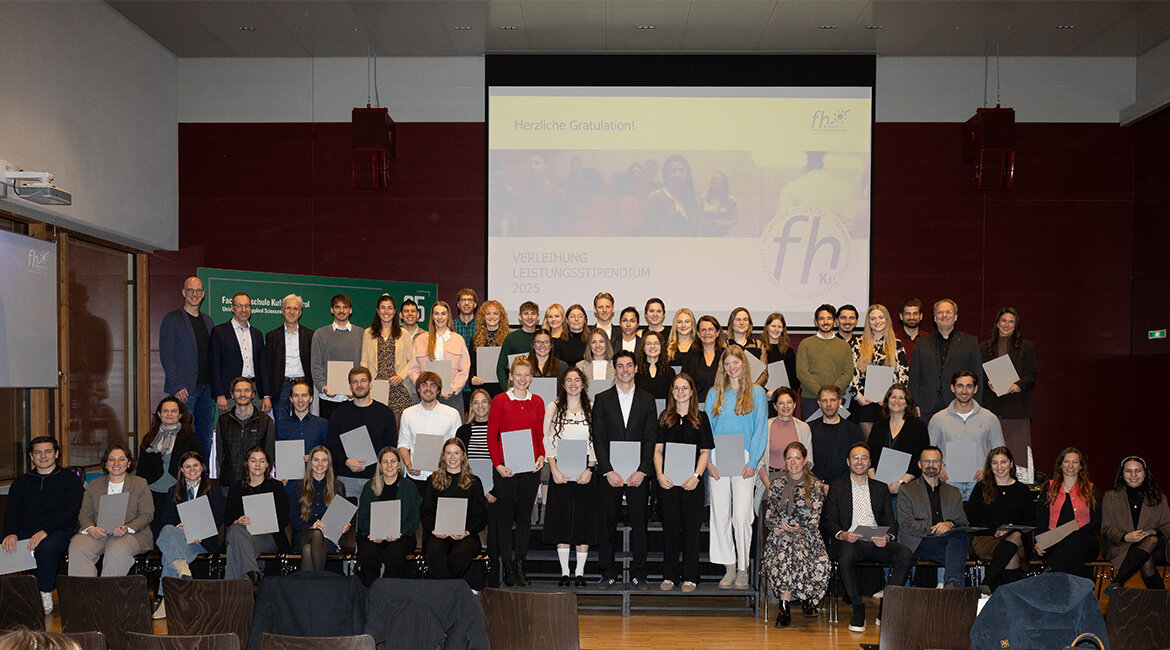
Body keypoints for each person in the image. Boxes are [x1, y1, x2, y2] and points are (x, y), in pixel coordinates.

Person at [821, 442, 912, 633]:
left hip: (876, 540)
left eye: (864, 458)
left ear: (870, 462)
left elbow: (890, 520)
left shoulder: (881, 488)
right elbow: (829, 521)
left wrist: (887, 536)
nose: (859, 462)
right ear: (848, 462)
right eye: (855, 457)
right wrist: (843, 534)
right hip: (850, 541)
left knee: (905, 554)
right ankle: (858, 608)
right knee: (845, 555)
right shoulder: (837, 487)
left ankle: (886, 608)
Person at [592, 350, 659, 589]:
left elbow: (651, 438)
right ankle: (607, 572)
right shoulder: (602, 399)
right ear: (614, 369)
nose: (625, 370)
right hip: (610, 474)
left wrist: (643, 471)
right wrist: (608, 470)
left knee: (640, 524)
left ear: (636, 368)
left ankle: (639, 573)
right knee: (607, 524)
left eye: (629, 365)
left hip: (638, 475)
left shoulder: (648, 400)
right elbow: (598, 438)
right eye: (620, 366)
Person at [705, 346, 768, 590]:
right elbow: (708, 429)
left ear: (743, 364)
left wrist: (753, 463)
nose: (732, 367)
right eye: (727, 364)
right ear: (723, 367)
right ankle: (728, 566)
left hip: (744, 457)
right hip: (718, 456)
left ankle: (743, 567)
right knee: (720, 514)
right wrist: (709, 460)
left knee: (741, 516)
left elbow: (761, 428)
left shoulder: (757, 392)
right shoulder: (714, 394)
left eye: (735, 362)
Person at [2, 437, 84, 614]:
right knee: (3, 543)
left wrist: (46, 531)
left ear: (56, 454)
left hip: (58, 530)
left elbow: (71, 512)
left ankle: (45, 594)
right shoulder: (21, 482)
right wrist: (10, 533)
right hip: (26, 529)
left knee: (46, 548)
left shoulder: (70, 479)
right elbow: (11, 512)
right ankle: (6, 597)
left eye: (47, 451)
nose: (43, 456)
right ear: (31, 456)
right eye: (38, 452)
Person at [486, 357, 546, 586]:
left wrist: (541, 456)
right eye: (518, 374)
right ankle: (508, 566)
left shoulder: (538, 401)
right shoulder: (500, 400)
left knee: (523, 519)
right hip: (506, 468)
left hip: (530, 468)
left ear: (532, 378)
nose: (522, 379)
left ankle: (521, 565)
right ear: (510, 376)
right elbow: (492, 436)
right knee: (504, 518)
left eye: (526, 375)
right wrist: (499, 465)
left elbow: (539, 435)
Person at [654, 373, 713, 592]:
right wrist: (660, 475)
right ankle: (669, 576)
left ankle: (690, 576)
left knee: (691, 531)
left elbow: (705, 452)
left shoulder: (701, 417)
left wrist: (696, 477)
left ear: (691, 392)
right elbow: (658, 450)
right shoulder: (664, 417)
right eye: (676, 388)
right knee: (670, 530)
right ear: (671, 392)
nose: (680, 392)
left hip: (692, 484)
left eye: (684, 388)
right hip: (668, 484)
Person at [542, 367, 599, 587]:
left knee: (583, 523)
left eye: (577, 380)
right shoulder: (553, 407)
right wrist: (554, 470)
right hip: (560, 472)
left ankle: (580, 573)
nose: (573, 384)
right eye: (569, 380)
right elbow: (548, 440)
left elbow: (596, 441)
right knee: (562, 521)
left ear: (583, 384)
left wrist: (590, 469)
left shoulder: (593, 408)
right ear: (563, 384)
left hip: (585, 471)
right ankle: (565, 572)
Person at [762, 441, 829, 627]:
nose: (793, 462)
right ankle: (799, 601)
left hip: (808, 535)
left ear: (805, 460)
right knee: (787, 547)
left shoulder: (815, 485)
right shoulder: (776, 484)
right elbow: (769, 516)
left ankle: (791, 603)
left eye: (797, 458)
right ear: (784, 461)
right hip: (780, 536)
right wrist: (778, 526)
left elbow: (815, 517)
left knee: (798, 547)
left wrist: (800, 528)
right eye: (789, 458)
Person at [152, 451, 223, 620]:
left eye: (195, 465)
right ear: (182, 470)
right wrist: (179, 526)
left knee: (170, 553)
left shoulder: (214, 490)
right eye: (187, 466)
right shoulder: (173, 491)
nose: (192, 469)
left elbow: (218, 518)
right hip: (180, 537)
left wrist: (199, 532)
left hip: (202, 540)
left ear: (202, 467)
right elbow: (166, 519)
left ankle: (165, 600)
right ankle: (182, 566)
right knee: (168, 531)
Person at [68, 445, 153, 576]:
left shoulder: (140, 484)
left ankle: (107, 594)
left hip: (131, 534)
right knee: (77, 547)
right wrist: (91, 528)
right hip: (99, 532)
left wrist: (127, 528)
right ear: (106, 464)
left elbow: (147, 514)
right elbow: (84, 514)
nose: (116, 463)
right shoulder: (94, 485)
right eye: (111, 459)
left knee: (116, 550)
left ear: (129, 463)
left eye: (121, 459)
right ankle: (85, 595)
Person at [897, 446, 970, 588]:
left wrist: (950, 525)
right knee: (957, 554)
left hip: (948, 542)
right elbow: (905, 524)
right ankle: (953, 586)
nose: (931, 465)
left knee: (960, 535)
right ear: (920, 464)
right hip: (919, 542)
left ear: (942, 465)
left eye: (935, 462)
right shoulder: (907, 490)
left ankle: (951, 583)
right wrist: (934, 529)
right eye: (927, 461)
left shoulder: (953, 492)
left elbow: (963, 521)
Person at [158, 276, 217, 454]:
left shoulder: (208, 321)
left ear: (203, 294)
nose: (194, 294)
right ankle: (181, 479)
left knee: (205, 436)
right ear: (183, 293)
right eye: (190, 290)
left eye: (198, 291)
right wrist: (176, 385)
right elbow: (166, 355)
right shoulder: (172, 319)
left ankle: (203, 476)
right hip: (184, 390)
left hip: (207, 389)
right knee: (181, 436)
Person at [966, 446, 1035, 593]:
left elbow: (1030, 521)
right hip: (986, 539)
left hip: (1018, 541)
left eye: (1003, 462)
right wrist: (995, 531)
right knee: (1011, 557)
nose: (999, 467)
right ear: (990, 466)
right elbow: (973, 519)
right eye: (995, 463)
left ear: (1011, 463)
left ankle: (988, 583)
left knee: (1015, 535)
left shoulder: (1023, 490)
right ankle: (1012, 602)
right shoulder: (981, 488)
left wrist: (1011, 528)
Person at [421, 438, 489, 587]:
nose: (452, 457)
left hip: (466, 535)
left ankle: (442, 590)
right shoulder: (432, 481)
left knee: (461, 553)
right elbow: (426, 512)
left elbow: (481, 516)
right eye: (448, 453)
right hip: (437, 535)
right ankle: (451, 590)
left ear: (463, 456)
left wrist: (466, 531)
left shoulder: (474, 482)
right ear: (443, 457)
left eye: (456, 453)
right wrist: (435, 530)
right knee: (434, 552)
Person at [928, 370, 1005, 500]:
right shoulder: (938, 419)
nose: (964, 391)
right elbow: (928, 451)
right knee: (950, 520)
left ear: (975, 389)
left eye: (969, 386)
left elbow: (1000, 452)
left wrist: (988, 472)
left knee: (979, 520)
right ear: (952, 388)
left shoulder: (990, 418)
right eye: (960, 386)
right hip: (948, 482)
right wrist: (937, 469)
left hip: (980, 483)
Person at [325, 366, 398, 499]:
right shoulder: (339, 414)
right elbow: (331, 446)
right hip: (346, 479)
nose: (359, 385)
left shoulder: (385, 413)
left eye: (363, 380)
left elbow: (391, 447)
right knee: (343, 520)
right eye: (354, 382)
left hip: (376, 479)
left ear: (370, 384)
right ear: (350, 386)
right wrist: (346, 461)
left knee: (374, 519)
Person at [138, 396, 204, 538]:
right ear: (159, 415)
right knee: (156, 531)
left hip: (180, 491)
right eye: (165, 411)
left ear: (180, 415)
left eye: (173, 411)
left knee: (177, 531)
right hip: (153, 491)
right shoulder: (149, 438)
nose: (169, 414)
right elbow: (141, 469)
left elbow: (200, 466)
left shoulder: (191, 438)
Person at [224, 447, 291, 587]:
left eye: (262, 461)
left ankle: (231, 589)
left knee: (234, 546)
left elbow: (285, 518)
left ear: (267, 465)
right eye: (253, 461)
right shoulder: (236, 487)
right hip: (242, 533)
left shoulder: (276, 486)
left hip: (268, 536)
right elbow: (228, 518)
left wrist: (267, 519)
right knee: (236, 530)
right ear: (246, 463)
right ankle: (253, 575)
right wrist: (238, 520)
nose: (257, 465)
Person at [1102, 456, 1169, 594]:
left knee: (1151, 541)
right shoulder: (1110, 497)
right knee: (1146, 560)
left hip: (1157, 548)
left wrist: (1152, 532)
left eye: (1137, 471)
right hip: (1122, 546)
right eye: (1128, 471)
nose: (1133, 475)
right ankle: (1162, 602)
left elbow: (1168, 526)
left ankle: (1118, 581)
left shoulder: (1160, 497)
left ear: (1145, 473)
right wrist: (1125, 537)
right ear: (1122, 474)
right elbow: (1106, 528)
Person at [979, 307, 1038, 463]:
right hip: (992, 406)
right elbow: (978, 374)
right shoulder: (984, 348)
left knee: (1017, 452)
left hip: (1017, 408)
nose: (1007, 324)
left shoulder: (1027, 346)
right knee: (992, 452)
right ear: (997, 323)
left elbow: (1031, 375)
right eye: (1003, 320)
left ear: (1016, 325)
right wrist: (988, 382)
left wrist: (1018, 385)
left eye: (1011, 321)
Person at [909, 299, 983, 421]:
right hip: (926, 406)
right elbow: (914, 376)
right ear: (934, 318)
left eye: (948, 312)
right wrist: (914, 404)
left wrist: (976, 405)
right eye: (940, 312)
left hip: (959, 404)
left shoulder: (970, 342)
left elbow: (977, 375)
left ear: (955, 317)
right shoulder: (921, 343)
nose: (944, 315)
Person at [355, 446, 419, 586]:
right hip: (372, 536)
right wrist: (372, 533)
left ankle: (388, 590)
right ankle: (371, 590)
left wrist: (400, 533)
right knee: (367, 552)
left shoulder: (409, 487)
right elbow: (363, 517)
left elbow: (414, 519)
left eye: (393, 461)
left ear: (399, 464)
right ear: (380, 465)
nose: (389, 465)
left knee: (394, 553)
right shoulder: (369, 487)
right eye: (385, 462)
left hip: (401, 536)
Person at [1035, 447, 1101, 579]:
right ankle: (1083, 588)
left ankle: (1049, 572)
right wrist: (1040, 542)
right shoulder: (1049, 487)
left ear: (1081, 466)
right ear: (1060, 465)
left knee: (1075, 541)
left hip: (1084, 541)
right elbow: (1042, 518)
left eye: (1075, 462)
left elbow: (1096, 521)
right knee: (1073, 558)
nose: (1070, 465)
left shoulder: (1091, 489)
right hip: (1054, 541)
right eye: (1066, 461)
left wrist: (1074, 534)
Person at [456, 388, 500, 584]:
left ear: (490, 405)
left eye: (484, 402)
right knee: (467, 539)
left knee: (494, 539)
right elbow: (458, 464)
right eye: (476, 402)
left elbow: (505, 462)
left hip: (494, 493)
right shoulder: (463, 431)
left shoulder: (499, 429)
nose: (480, 406)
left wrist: (494, 491)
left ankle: (492, 581)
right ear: (471, 406)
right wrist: (474, 492)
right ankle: (469, 581)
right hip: (470, 493)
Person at [848, 304, 909, 439]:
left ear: (887, 319)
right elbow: (851, 373)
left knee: (887, 442)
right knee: (869, 444)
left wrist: (892, 398)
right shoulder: (858, 343)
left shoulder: (897, 344)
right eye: (873, 319)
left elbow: (903, 375)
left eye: (880, 317)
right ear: (868, 322)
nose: (877, 321)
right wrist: (858, 397)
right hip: (865, 403)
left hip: (889, 403)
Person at [286, 446, 349, 572]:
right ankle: (320, 582)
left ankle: (310, 588)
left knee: (308, 550)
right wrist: (311, 526)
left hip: (329, 538)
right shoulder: (299, 486)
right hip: (304, 535)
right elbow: (293, 519)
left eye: (324, 460)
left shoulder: (338, 486)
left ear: (329, 463)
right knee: (315, 534)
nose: (320, 464)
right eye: (316, 460)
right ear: (310, 463)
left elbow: (342, 517)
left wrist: (345, 526)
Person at [398, 371, 463, 492]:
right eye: (424, 385)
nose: (428, 388)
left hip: (443, 475)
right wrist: (408, 465)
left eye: (433, 385)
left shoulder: (452, 414)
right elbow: (403, 444)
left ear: (438, 390)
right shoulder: (407, 414)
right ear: (417, 389)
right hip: (415, 475)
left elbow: (458, 447)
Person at [210, 292, 271, 414]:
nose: (244, 310)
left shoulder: (257, 334)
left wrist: (266, 395)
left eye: (247, 306)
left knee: (256, 430)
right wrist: (220, 394)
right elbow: (214, 365)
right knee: (230, 429)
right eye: (239, 306)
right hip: (230, 394)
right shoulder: (219, 332)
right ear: (232, 308)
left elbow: (262, 366)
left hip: (255, 393)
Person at [408, 301, 472, 411]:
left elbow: (465, 368)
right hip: (427, 396)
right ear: (432, 316)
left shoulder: (458, 339)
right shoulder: (421, 340)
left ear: (448, 316)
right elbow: (413, 369)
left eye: (443, 313)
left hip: (452, 396)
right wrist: (423, 388)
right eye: (436, 314)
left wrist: (453, 388)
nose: (440, 317)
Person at [867, 384, 929, 495]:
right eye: (893, 397)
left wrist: (901, 482)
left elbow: (920, 460)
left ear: (907, 403)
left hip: (907, 489)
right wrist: (875, 481)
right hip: (878, 488)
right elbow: (870, 456)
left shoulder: (919, 427)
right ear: (887, 401)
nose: (897, 401)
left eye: (901, 398)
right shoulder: (878, 426)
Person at [312, 294, 366, 420]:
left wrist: (356, 388)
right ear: (332, 310)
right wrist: (323, 387)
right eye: (337, 307)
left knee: (353, 436)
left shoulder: (361, 334)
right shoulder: (320, 334)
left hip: (353, 396)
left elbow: (364, 365)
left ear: (350, 310)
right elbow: (315, 365)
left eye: (345, 307)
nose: (341, 311)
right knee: (330, 436)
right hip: (328, 397)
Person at [361, 293, 413, 423]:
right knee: (376, 425)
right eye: (383, 308)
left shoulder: (403, 334)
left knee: (397, 429)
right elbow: (364, 361)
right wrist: (366, 382)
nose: (386, 311)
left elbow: (411, 360)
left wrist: (400, 376)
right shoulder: (368, 333)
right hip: (376, 386)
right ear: (378, 311)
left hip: (398, 387)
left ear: (395, 312)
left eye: (390, 308)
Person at [795, 304, 853, 419]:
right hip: (812, 399)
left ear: (835, 321)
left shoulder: (844, 346)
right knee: (812, 434)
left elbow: (848, 373)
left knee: (836, 435)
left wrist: (832, 395)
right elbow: (802, 373)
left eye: (829, 318)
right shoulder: (805, 344)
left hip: (836, 400)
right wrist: (822, 394)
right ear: (816, 322)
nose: (825, 322)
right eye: (821, 319)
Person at [215, 377, 275, 487]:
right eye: (238, 391)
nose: (242, 394)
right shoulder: (223, 420)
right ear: (232, 395)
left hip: (257, 484)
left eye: (247, 390)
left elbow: (269, 455)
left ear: (253, 394)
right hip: (230, 484)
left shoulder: (266, 421)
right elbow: (220, 454)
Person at [264, 293, 313, 420]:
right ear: (282, 311)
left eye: (295, 309)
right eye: (288, 308)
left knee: (304, 422)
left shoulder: (310, 335)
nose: (292, 312)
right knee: (281, 425)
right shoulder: (272, 336)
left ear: (300, 312)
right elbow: (268, 367)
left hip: (303, 384)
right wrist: (267, 395)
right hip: (281, 387)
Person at [808, 385, 864, 486]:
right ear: (819, 403)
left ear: (840, 402)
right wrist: (818, 484)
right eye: (824, 400)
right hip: (815, 487)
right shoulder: (809, 429)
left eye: (833, 400)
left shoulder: (853, 430)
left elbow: (857, 462)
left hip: (844, 487)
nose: (828, 404)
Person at [760, 387, 814, 488]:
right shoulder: (765, 426)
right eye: (781, 403)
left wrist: (797, 482)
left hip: (797, 479)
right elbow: (760, 460)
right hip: (770, 480)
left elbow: (808, 459)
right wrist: (769, 487)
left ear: (794, 405)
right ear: (775, 406)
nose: (785, 406)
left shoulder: (804, 428)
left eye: (789, 402)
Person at [644, 154, 698, 236]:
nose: (677, 174)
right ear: (666, 174)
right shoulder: (655, 198)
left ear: (687, 174)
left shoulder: (691, 198)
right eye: (673, 171)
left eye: (681, 170)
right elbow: (648, 231)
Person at [275, 379, 328, 459]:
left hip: (315, 470)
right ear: (291, 399)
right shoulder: (281, 425)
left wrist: (314, 457)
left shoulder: (322, 424)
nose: (300, 400)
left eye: (304, 395)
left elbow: (328, 453)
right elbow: (277, 455)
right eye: (296, 395)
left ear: (311, 398)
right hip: (289, 470)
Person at [468, 300, 509, 398]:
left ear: (501, 317)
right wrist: (472, 378)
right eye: (488, 313)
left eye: (495, 313)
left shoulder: (509, 338)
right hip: (482, 387)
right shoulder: (475, 338)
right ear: (483, 317)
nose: (492, 317)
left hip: (502, 387)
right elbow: (471, 364)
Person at [496, 300, 540, 387]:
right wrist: (507, 389)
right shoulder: (511, 338)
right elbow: (501, 367)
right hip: (517, 388)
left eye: (533, 313)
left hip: (540, 386)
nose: (530, 317)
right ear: (520, 316)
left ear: (538, 317)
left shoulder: (543, 338)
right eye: (526, 313)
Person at [684, 315, 724, 401]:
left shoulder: (725, 356)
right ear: (698, 334)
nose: (707, 333)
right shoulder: (690, 357)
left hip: (721, 404)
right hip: (696, 405)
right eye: (703, 330)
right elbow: (685, 383)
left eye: (711, 329)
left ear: (717, 333)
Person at [758, 313, 797, 399]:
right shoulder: (759, 349)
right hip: (762, 396)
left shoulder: (788, 351)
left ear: (783, 329)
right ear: (767, 327)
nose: (776, 329)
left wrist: (787, 395)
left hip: (783, 399)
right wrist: (767, 393)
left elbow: (794, 379)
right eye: (773, 326)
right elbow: (754, 377)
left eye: (779, 327)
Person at [634, 330, 675, 400]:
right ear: (643, 347)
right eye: (648, 344)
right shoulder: (635, 370)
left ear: (661, 347)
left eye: (656, 343)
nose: (652, 346)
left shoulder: (670, 372)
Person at [699, 171, 738, 236]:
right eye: (712, 179)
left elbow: (734, 220)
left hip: (724, 234)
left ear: (724, 183)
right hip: (706, 234)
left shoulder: (731, 199)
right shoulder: (703, 197)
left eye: (717, 179)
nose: (714, 181)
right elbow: (700, 217)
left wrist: (723, 224)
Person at [558, 303, 590, 367]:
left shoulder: (592, 341)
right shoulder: (559, 342)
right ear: (567, 320)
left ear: (585, 320)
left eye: (580, 316)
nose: (576, 319)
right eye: (572, 316)